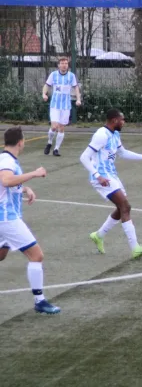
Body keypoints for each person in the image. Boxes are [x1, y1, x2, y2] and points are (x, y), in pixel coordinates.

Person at [80, 109, 142, 259]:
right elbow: (84, 157)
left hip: (111, 176)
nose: (124, 122)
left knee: (121, 208)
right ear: (114, 120)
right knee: (125, 207)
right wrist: (97, 176)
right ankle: (135, 248)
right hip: (102, 177)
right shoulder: (101, 135)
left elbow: (122, 153)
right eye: (122, 119)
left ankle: (99, 235)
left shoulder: (115, 134)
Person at [0, 127, 60, 314]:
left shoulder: (7, 159)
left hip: (5, 219)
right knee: (36, 256)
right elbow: (6, 181)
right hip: (7, 219)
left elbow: (9, 184)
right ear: (20, 142)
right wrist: (34, 173)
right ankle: (40, 301)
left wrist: (25, 189)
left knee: (1, 255)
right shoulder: (7, 160)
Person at [42, 56, 82, 157]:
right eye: (62, 63)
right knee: (54, 126)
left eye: (66, 63)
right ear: (58, 65)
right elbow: (47, 85)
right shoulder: (53, 75)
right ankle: (50, 142)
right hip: (55, 105)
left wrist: (78, 99)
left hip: (65, 106)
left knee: (61, 128)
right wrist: (44, 94)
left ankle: (56, 149)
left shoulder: (71, 76)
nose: (64, 65)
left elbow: (76, 88)